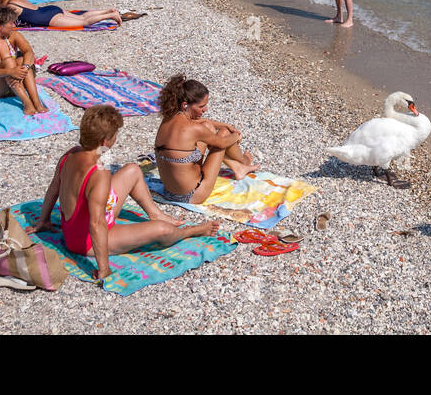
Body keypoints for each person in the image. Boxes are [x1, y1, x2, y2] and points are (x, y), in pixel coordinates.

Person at [32, 106, 219, 281]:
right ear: (105, 141)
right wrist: (103, 268)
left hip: (74, 228)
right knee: (163, 231)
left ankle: (154, 213)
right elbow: (97, 223)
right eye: (115, 135)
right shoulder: (99, 173)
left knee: (132, 170)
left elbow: (54, 187)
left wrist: (43, 220)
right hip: (85, 241)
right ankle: (190, 232)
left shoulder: (70, 154)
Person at [153, 76, 260, 204]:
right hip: (193, 194)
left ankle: (238, 167)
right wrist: (236, 135)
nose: (205, 109)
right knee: (224, 134)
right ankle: (244, 162)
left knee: (208, 127)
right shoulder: (194, 130)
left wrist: (221, 124)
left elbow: (199, 123)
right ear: (185, 104)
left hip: (169, 192)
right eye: (201, 106)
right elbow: (222, 142)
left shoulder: (168, 119)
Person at [0, 6, 46, 115]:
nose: (14, 26)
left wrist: (25, 67)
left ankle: (36, 102)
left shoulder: (13, 36)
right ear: (0, 26)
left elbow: (29, 52)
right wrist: (10, 72)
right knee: (9, 62)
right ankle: (27, 103)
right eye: (11, 23)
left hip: (12, 85)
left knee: (21, 60)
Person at [0, 0, 123, 30]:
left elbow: (4, 21)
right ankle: (107, 11)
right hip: (49, 10)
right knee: (81, 16)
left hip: (47, 18)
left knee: (84, 22)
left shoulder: (10, 7)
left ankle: (110, 16)